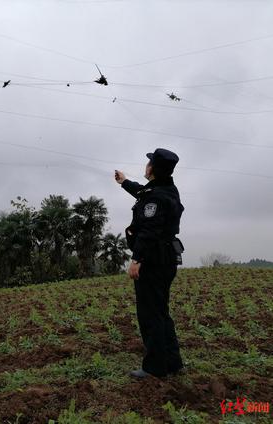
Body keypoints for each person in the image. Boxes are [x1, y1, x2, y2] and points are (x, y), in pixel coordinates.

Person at [114, 148, 185, 378]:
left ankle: (154, 368)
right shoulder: (166, 190)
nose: (146, 166)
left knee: (149, 314)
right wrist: (124, 182)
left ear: (152, 169)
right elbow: (143, 193)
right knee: (161, 311)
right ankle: (173, 362)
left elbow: (149, 230)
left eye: (148, 163)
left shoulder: (155, 197)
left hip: (152, 262)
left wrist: (136, 260)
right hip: (166, 260)